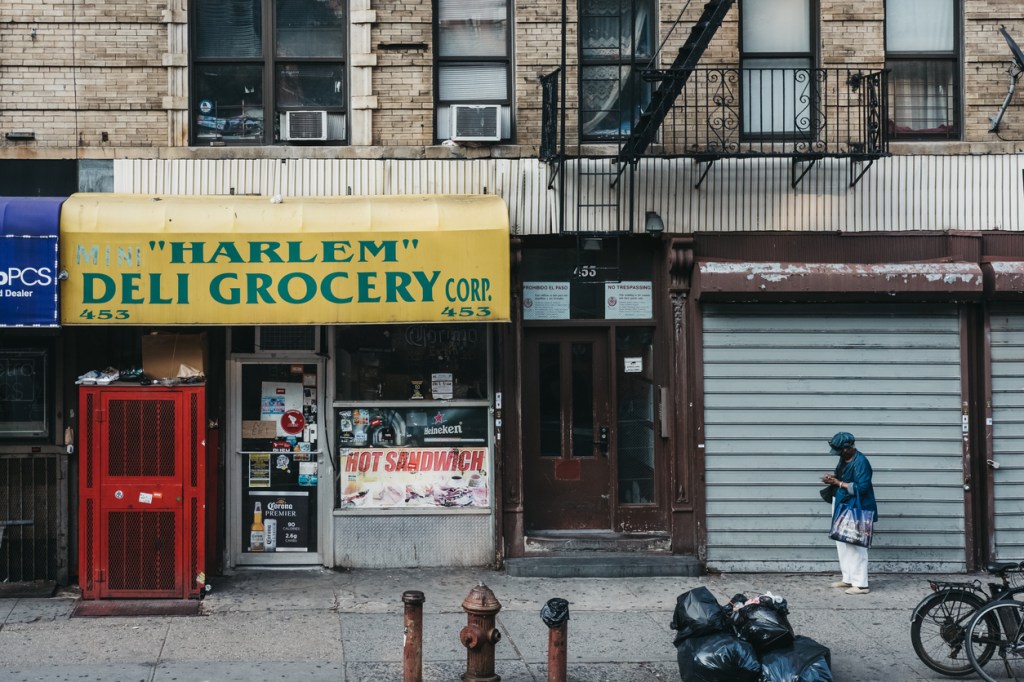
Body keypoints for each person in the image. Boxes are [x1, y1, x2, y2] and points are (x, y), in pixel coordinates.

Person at [821, 431, 877, 595]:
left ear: (847, 448)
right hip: (843, 503)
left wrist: (838, 483)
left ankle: (861, 584)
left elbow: (863, 487)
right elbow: (842, 478)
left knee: (856, 544)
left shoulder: (861, 462)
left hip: (856, 506)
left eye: (839, 451)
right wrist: (833, 479)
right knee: (842, 542)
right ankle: (849, 578)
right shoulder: (844, 458)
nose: (838, 454)